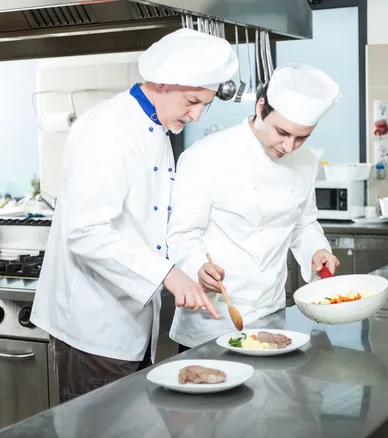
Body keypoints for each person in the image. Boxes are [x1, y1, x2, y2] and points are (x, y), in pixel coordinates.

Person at [30, 28, 238, 403]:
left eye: (205, 105)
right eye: (192, 101)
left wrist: (188, 269)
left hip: (130, 322)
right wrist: (168, 275)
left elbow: (149, 225)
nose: (195, 115)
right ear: (160, 82)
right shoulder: (107, 129)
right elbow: (86, 232)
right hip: (91, 328)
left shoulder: (159, 127)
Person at [167, 63, 341, 351]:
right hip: (211, 324)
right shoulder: (206, 156)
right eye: (281, 132)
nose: (288, 146)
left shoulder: (306, 161)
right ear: (261, 107)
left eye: (301, 137)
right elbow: (182, 235)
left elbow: (304, 224)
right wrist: (197, 266)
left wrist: (317, 251)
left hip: (270, 319)